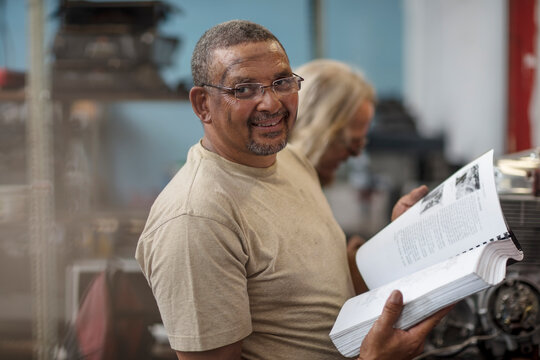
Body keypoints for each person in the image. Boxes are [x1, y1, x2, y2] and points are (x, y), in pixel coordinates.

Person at [135, 19, 449, 360]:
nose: (271, 103)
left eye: (282, 82)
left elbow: (323, 300)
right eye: (244, 89)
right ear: (202, 105)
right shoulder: (196, 218)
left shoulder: (292, 162)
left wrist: (399, 238)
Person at [289, 59, 429, 294]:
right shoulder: (287, 196)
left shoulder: (308, 191)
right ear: (321, 131)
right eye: (353, 141)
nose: (356, 153)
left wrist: (347, 263)